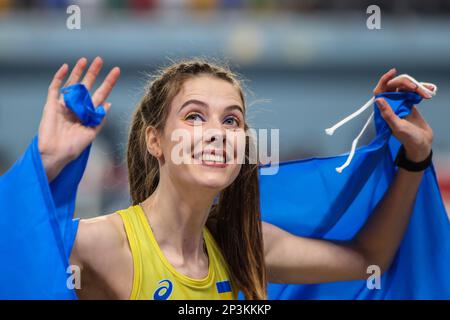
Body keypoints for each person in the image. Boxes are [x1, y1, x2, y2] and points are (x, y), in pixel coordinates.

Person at [38, 56, 434, 299]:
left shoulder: (246, 245)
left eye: (232, 121)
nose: (218, 132)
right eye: (194, 116)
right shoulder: (101, 245)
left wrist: (414, 158)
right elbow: (15, 255)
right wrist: (46, 165)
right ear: (154, 141)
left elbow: (369, 261)